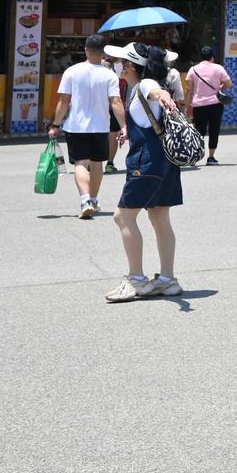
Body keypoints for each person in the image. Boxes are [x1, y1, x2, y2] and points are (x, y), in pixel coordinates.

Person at [102, 42, 185, 303]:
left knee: (122, 217)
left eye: (121, 63)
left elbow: (154, 90)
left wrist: (162, 95)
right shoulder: (139, 88)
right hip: (166, 163)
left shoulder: (145, 85)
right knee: (160, 218)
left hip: (146, 164)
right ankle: (168, 280)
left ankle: (136, 280)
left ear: (130, 66)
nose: (118, 66)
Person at [48, 34, 126, 219]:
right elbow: (116, 102)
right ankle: (94, 198)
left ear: (85, 50)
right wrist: (124, 126)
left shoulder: (72, 71)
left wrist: (55, 124)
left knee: (81, 164)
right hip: (101, 126)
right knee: (98, 163)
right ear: (103, 53)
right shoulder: (109, 75)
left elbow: (64, 101)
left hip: (76, 126)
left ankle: (85, 200)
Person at [184, 44, 233, 166]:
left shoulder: (193, 69)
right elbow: (229, 83)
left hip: (198, 105)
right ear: (212, 57)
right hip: (215, 103)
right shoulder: (218, 68)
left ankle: (195, 157)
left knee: (199, 131)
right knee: (214, 130)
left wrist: (188, 105)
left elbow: (188, 89)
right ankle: (211, 157)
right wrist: (220, 87)